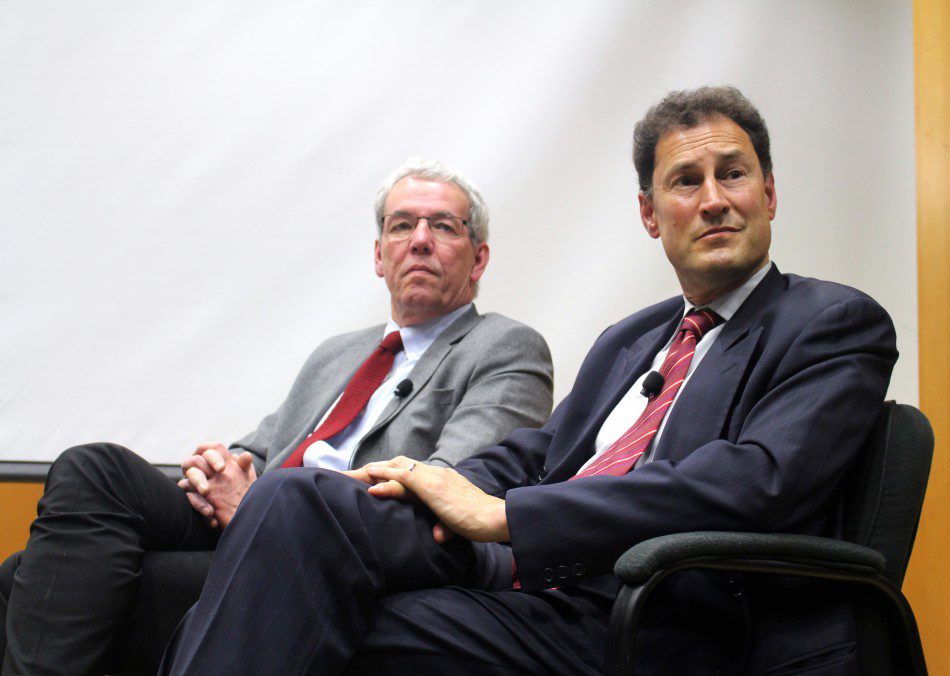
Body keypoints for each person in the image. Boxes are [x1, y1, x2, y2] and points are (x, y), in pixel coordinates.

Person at [161, 86, 898, 675]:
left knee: (299, 614)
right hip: (540, 581)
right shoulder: (633, 339)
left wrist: (508, 519)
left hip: (663, 614)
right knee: (295, 499)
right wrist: (419, 479)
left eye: (732, 174)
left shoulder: (832, 322)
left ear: (768, 194)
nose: (712, 199)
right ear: (650, 214)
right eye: (685, 181)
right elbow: (540, 455)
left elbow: (751, 485)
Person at [0, 158, 554, 675]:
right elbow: (261, 451)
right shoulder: (339, 352)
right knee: (94, 471)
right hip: (256, 511)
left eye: (444, 227)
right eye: (402, 225)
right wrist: (215, 470)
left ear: (478, 257)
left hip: (336, 541)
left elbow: (447, 490)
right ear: (380, 254)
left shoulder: (505, 348)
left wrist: (262, 507)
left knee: (33, 577)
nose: (421, 241)